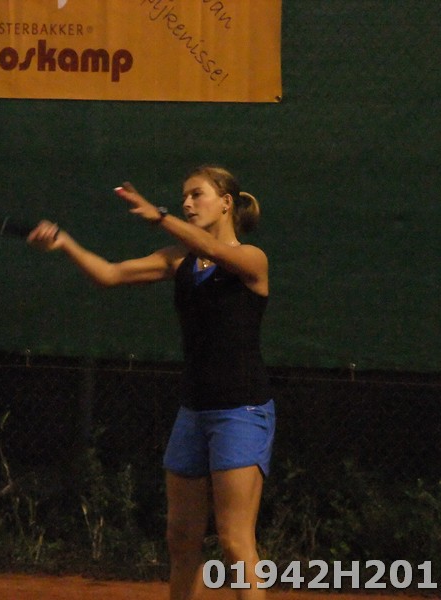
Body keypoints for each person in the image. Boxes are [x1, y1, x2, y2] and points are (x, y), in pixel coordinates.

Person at [27, 164, 275, 600]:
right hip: (193, 413)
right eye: (184, 197)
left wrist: (160, 216)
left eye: (197, 194)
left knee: (235, 542)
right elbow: (109, 274)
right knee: (181, 539)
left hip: (242, 411)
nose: (187, 203)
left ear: (226, 203)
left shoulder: (253, 260)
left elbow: (213, 249)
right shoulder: (178, 260)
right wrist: (65, 242)